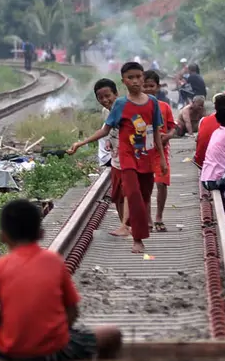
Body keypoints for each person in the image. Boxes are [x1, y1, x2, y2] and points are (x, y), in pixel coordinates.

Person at [0, 199, 122, 361]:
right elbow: (72, 312)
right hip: (57, 351)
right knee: (112, 334)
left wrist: (7, 316)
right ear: (41, 233)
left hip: (12, 351)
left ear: (2, 236)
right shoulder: (55, 262)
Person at [69, 62, 167, 254]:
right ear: (124, 81)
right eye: (130, 77)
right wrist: (81, 143)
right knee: (133, 194)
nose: (135, 81)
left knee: (145, 196)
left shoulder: (152, 103)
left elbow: (156, 132)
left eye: (139, 76)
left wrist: (161, 159)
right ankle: (138, 239)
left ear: (143, 77)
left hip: (147, 157)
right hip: (127, 157)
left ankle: (132, 228)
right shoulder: (120, 104)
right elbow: (105, 129)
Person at [92, 78, 128, 235]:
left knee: (128, 192)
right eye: (101, 98)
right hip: (113, 158)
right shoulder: (107, 111)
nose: (105, 100)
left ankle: (127, 226)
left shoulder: (125, 110)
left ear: (116, 94)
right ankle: (124, 225)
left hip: (127, 158)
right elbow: (108, 132)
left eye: (108, 96)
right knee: (118, 195)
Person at [143, 70, 175, 233]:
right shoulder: (135, 107)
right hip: (142, 152)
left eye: (151, 86)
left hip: (161, 151)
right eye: (145, 86)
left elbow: (172, 128)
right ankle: (148, 218)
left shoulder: (164, 107)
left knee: (161, 183)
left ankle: (159, 217)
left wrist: (167, 136)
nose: (148, 89)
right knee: (146, 186)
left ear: (157, 87)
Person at [194, 93, 225, 169]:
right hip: (223, 166)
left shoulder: (203, 120)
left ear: (215, 106)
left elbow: (198, 140)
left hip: (202, 162)